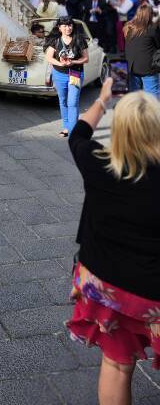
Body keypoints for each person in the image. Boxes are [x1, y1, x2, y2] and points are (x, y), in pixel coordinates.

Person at [66, 79, 160, 405]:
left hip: (107, 286)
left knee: (117, 365)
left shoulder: (97, 163)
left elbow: (77, 134)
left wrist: (104, 99)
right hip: (154, 293)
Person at [44, 17, 89, 137]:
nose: (67, 28)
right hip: (59, 74)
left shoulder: (79, 40)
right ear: (59, 28)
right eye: (64, 26)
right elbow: (49, 57)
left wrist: (73, 62)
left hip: (75, 74)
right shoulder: (55, 40)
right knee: (63, 101)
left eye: (69, 25)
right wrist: (60, 63)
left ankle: (72, 130)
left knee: (73, 102)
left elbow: (86, 58)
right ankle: (66, 126)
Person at [123, 1, 160, 98]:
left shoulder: (128, 27)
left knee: (135, 97)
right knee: (152, 97)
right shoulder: (152, 29)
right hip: (148, 68)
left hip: (131, 66)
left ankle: (137, 113)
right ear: (150, 15)